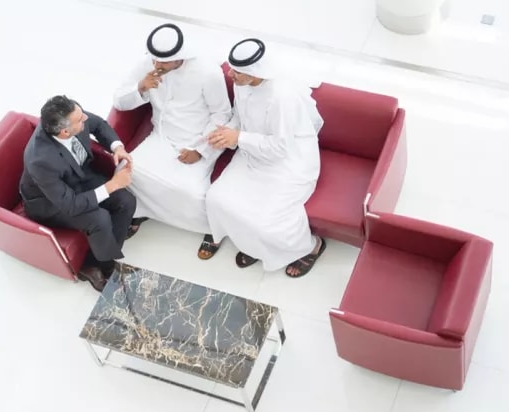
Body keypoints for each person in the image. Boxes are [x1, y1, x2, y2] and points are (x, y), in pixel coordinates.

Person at [204, 38, 327, 278]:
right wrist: (224, 133)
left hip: (289, 163)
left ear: (254, 72)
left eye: (237, 71)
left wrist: (237, 138)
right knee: (216, 198)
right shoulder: (243, 84)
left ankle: (312, 246)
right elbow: (240, 118)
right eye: (231, 68)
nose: (230, 74)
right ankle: (251, 245)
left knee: (266, 223)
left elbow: (280, 147)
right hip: (252, 154)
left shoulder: (282, 97)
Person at [112, 23, 232, 255]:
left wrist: (201, 150)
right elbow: (119, 101)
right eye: (154, 60)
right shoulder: (149, 64)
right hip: (161, 137)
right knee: (124, 171)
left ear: (180, 58)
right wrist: (141, 87)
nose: (157, 65)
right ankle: (142, 210)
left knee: (191, 193)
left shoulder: (207, 72)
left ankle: (213, 230)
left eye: (163, 62)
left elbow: (222, 115)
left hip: (196, 140)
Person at [19, 95, 136, 291]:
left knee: (126, 200)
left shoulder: (73, 119)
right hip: (50, 203)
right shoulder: (40, 160)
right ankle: (102, 266)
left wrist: (118, 147)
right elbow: (70, 204)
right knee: (99, 219)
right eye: (80, 119)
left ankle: (104, 249)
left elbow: (98, 124)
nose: (85, 119)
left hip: (78, 178)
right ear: (65, 131)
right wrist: (112, 185)